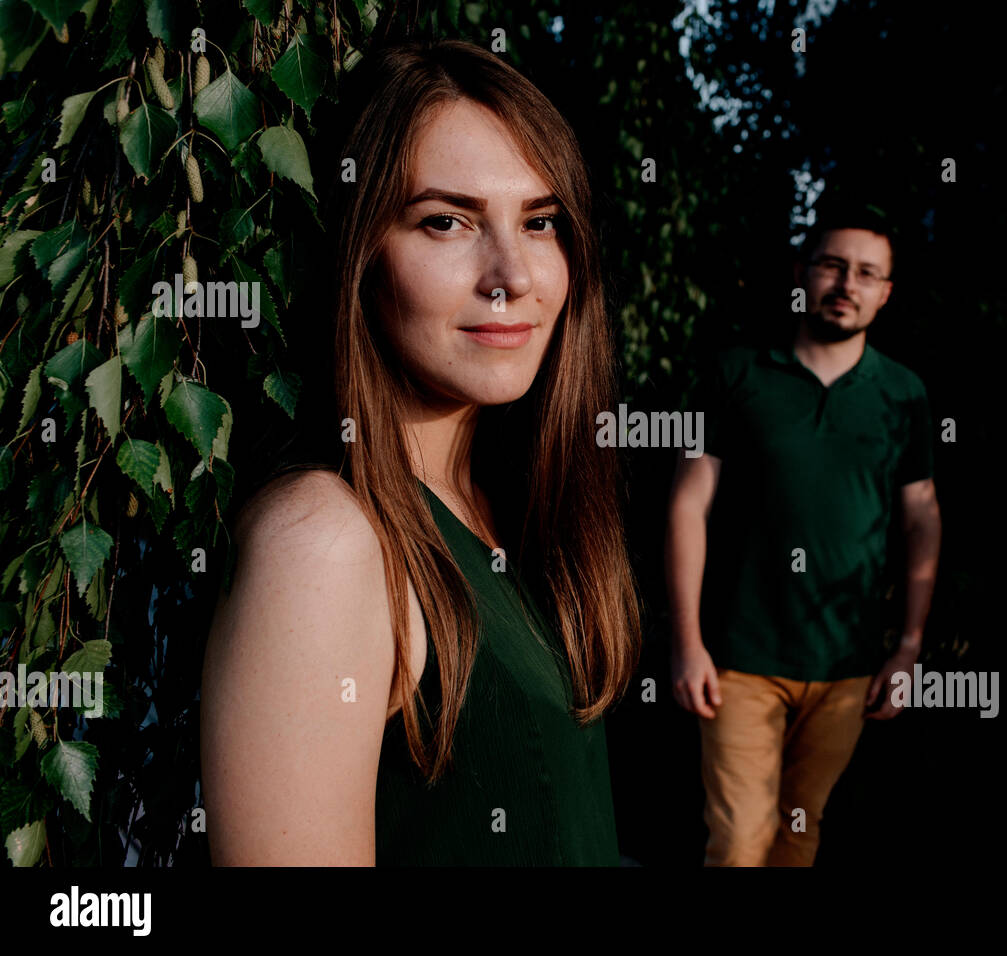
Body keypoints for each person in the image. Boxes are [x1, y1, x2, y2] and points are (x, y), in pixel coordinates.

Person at [200, 39, 640, 866]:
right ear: (361, 251)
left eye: (540, 222)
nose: (512, 274)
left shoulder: (506, 508)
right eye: (446, 221)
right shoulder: (323, 542)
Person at [665, 211, 942, 866]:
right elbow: (687, 504)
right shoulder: (736, 374)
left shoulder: (904, 395)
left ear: (885, 293)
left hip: (846, 669)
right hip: (740, 657)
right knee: (738, 844)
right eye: (832, 265)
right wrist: (686, 643)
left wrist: (906, 648)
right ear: (802, 274)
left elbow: (921, 519)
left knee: (797, 837)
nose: (847, 283)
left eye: (867, 273)